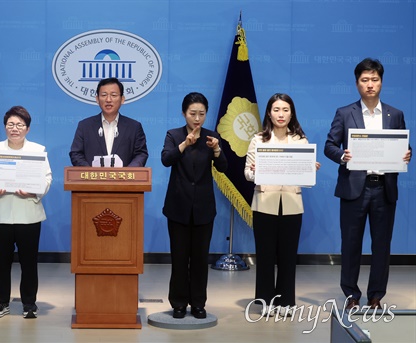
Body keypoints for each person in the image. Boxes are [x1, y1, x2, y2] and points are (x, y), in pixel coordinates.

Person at [324, 58, 411, 310]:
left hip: (384, 188)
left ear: (381, 82)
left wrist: (407, 154)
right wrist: (342, 156)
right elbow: (330, 145)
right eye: (365, 80)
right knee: (350, 243)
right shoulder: (344, 113)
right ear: (357, 83)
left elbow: (403, 146)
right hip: (354, 188)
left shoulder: (395, 114)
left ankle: (376, 296)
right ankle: (351, 294)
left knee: (382, 245)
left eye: (374, 79)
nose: (370, 85)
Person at [244, 93, 320, 316]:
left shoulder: (300, 140)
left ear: (291, 113)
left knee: (288, 255)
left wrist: (310, 169)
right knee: (265, 254)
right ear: (269, 112)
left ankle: (285, 301)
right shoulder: (258, 139)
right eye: (276, 109)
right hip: (264, 203)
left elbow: (305, 178)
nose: (281, 114)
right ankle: (266, 301)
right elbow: (247, 172)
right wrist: (254, 173)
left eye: (285, 110)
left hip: (291, 204)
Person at [0, 106, 52, 319]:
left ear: (27, 129)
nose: (15, 129)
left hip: (28, 214)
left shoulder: (38, 150)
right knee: (2, 262)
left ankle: (29, 303)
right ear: (5, 127)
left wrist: (34, 190)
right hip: (1, 213)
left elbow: (47, 178)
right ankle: (1, 302)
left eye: (20, 125)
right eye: (11, 124)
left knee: (29, 262)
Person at [161, 92, 227, 319]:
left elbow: (223, 167)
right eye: (192, 114)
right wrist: (183, 145)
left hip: (203, 209)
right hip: (178, 206)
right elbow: (166, 159)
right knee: (179, 258)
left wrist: (217, 150)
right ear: (184, 113)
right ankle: (178, 303)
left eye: (201, 114)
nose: (197, 119)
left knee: (200, 259)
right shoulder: (173, 134)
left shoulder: (211, 137)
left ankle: (198, 302)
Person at [69, 77, 148, 167]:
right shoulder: (85, 126)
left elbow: (141, 154)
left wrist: (127, 172)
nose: (108, 100)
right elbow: (76, 154)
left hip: (124, 180)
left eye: (113, 95)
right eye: (104, 95)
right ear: (97, 99)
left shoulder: (134, 127)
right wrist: (92, 172)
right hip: (92, 180)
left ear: (122, 99)